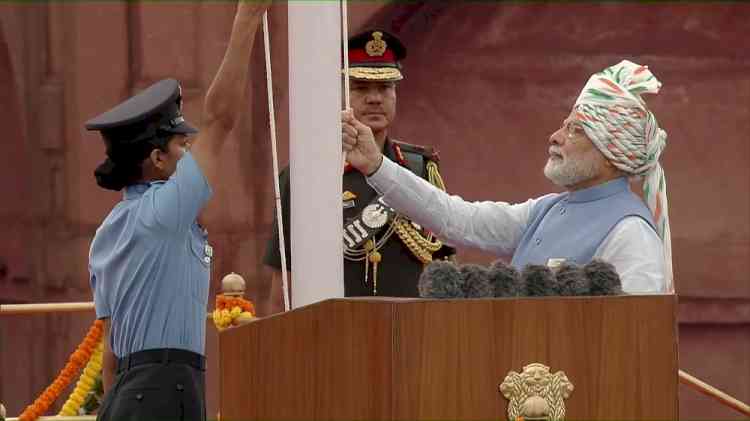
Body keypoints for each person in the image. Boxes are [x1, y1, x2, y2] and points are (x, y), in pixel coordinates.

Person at [342, 60, 673, 294]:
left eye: (574, 130)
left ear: (611, 152)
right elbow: (456, 219)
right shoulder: (544, 210)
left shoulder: (632, 234)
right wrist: (376, 164)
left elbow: (631, 347)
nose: (555, 137)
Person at [85, 2, 269, 420]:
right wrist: (247, 19)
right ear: (158, 159)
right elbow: (221, 119)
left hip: (134, 395)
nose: (190, 151)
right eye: (181, 146)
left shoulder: (111, 228)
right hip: (165, 390)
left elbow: (112, 354)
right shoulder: (163, 212)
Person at [264, 30, 454, 304]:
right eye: (361, 88)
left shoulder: (420, 168)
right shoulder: (306, 177)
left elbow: (444, 266)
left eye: (385, 88)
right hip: (335, 333)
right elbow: (283, 285)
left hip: (412, 334)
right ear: (340, 94)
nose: (375, 98)